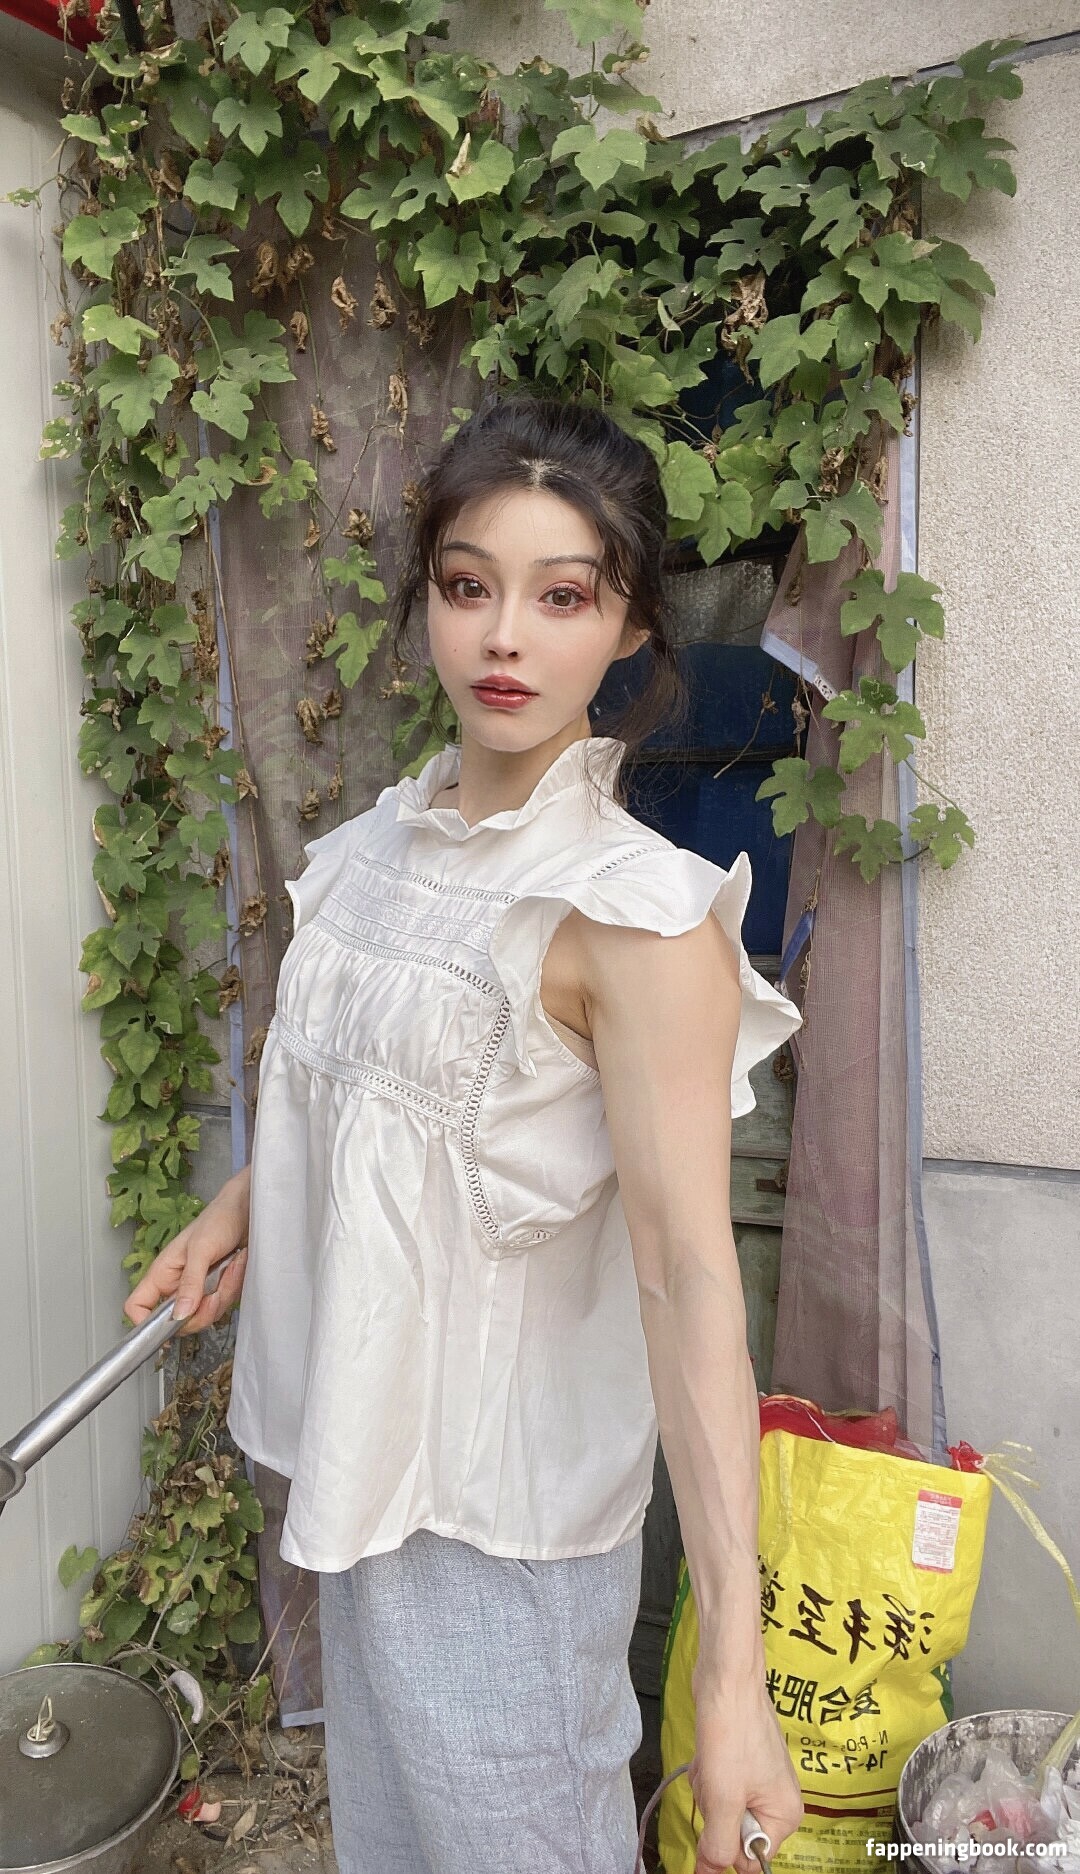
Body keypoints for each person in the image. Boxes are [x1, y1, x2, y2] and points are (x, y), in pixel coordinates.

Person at [125, 396, 806, 1874]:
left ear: (630, 625)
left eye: (562, 596)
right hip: (356, 1468)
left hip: (505, 1539)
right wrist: (242, 1205)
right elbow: (367, 1092)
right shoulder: (379, 848)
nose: (505, 636)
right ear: (427, 595)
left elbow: (692, 1282)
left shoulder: (634, 917)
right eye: (468, 583)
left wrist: (731, 1670)